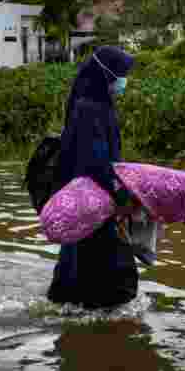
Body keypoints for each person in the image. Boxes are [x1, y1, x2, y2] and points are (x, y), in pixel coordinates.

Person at [47, 45, 138, 309]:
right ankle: (92, 315)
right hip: (92, 196)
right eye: (120, 74)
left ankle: (77, 309)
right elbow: (95, 161)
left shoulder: (98, 104)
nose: (123, 81)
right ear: (106, 74)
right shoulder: (90, 108)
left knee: (81, 254)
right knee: (95, 255)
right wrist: (120, 194)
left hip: (92, 196)